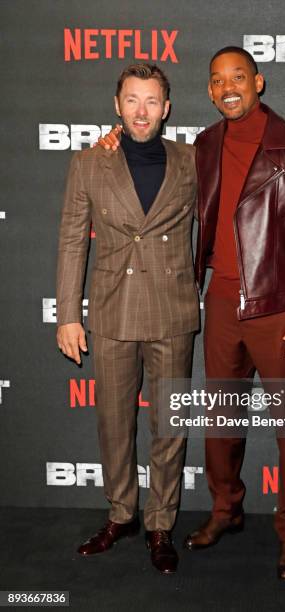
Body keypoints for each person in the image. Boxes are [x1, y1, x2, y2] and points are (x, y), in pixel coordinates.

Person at [99, 46, 285, 582]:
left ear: (258, 81)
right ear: (208, 91)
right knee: (221, 422)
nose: (227, 87)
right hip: (221, 303)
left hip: (280, 308)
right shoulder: (201, 148)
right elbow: (144, 152)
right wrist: (112, 140)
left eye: (238, 77)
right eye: (216, 80)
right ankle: (226, 510)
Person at [56, 63, 199, 575]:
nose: (142, 111)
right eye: (132, 100)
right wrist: (68, 314)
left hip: (172, 309)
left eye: (152, 101)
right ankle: (122, 514)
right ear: (118, 105)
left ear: (167, 107)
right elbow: (73, 241)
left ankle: (161, 523)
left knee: (170, 426)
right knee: (115, 424)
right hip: (113, 309)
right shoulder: (89, 163)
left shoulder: (192, 161)